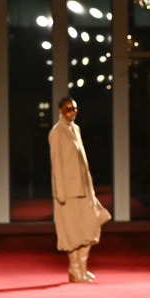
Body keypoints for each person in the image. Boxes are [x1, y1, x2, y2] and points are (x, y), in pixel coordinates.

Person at [48, 96, 111, 283]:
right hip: (67, 191)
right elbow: (56, 164)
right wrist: (59, 191)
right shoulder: (56, 133)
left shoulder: (75, 129)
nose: (72, 112)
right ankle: (76, 269)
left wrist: (90, 188)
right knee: (72, 231)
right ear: (60, 110)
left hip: (84, 188)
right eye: (68, 109)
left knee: (93, 223)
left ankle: (81, 267)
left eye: (74, 108)